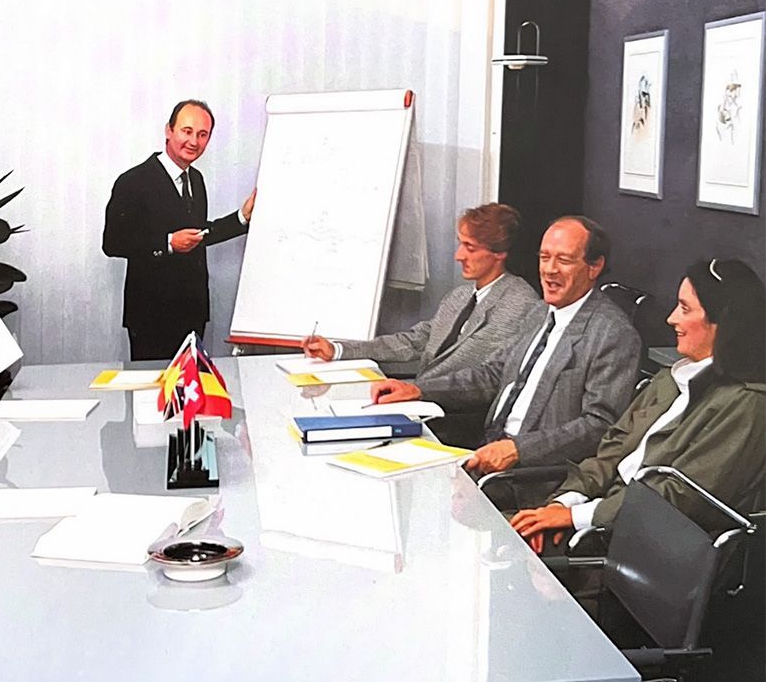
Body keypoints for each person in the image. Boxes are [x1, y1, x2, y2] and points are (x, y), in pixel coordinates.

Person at [511, 259, 765, 552]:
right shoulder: (671, 378)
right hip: (598, 522)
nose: (671, 319)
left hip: (644, 551)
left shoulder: (748, 404)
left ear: (724, 323)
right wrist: (561, 504)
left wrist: (578, 518)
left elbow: (679, 499)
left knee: (498, 551)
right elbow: (610, 451)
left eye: (685, 309)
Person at [370, 216, 642, 475]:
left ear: (594, 266)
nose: (549, 269)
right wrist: (418, 389)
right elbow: (493, 374)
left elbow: (599, 426)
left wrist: (518, 449)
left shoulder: (613, 334)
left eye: (564, 260)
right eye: (545, 257)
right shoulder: (539, 312)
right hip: (483, 449)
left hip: (529, 474)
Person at [302, 203, 538, 381]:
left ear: (499, 252)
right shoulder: (459, 297)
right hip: (425, 401)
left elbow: (478, 374)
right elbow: (414, 341)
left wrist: (414, 390)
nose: (458, 256)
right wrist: (338, 350)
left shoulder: (519, 302)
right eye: (460, 243)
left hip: (461, 418)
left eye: (470, 247)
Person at [103, 99, 256, 361]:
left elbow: (197, 234)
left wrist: (241, 218)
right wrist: (168, 243)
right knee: (153, 398)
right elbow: (113, 242)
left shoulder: (196, 179)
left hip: (193, 314)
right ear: (168, 130)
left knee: (192, 396)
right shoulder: (133, 181)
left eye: (202, 134)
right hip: (151, 318)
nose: (194, 141)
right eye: (187, 131)